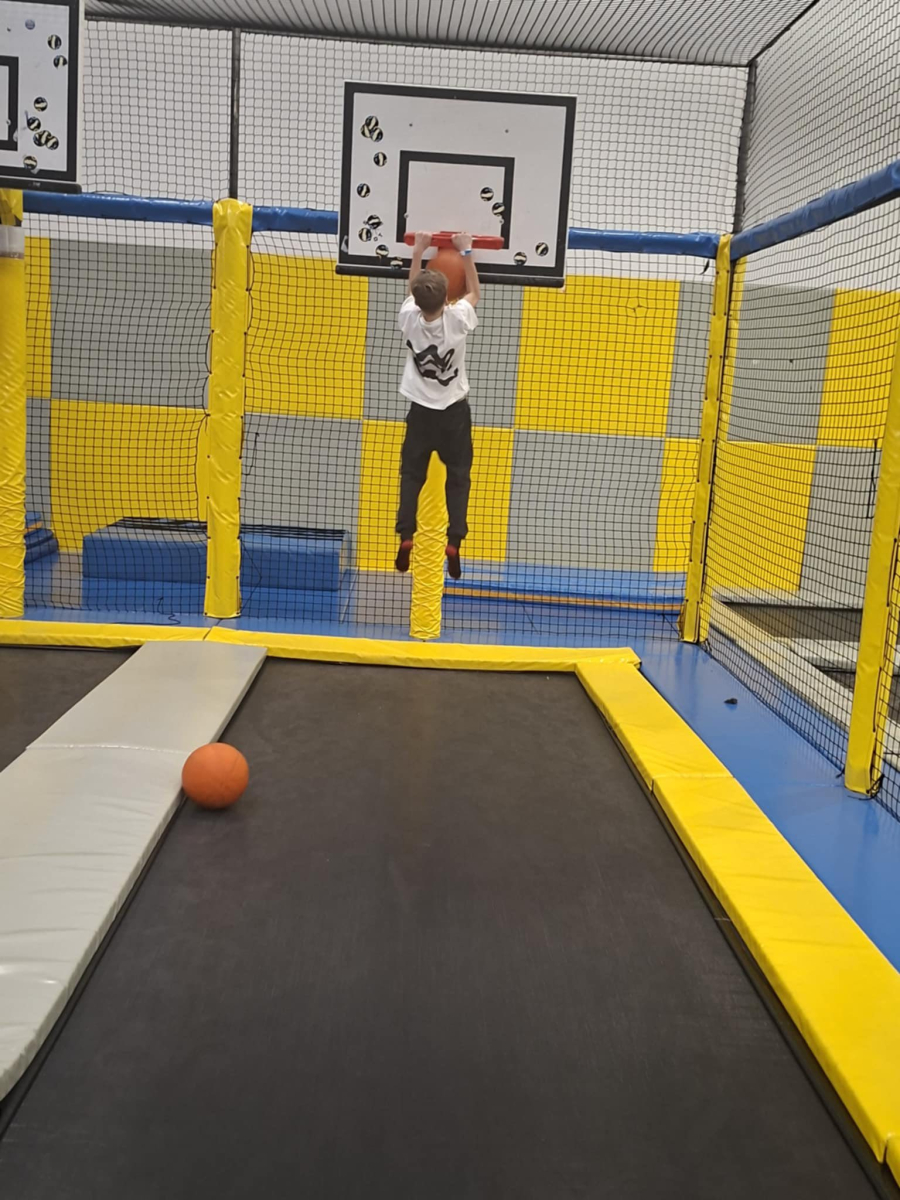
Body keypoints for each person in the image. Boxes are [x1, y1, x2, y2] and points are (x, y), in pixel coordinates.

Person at [394, 231, 480, 580]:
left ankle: (406, 534)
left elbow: (411, 289)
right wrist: (466, 251)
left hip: (420, 412)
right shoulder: (457, 319)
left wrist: (418, 251)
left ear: (417, 302)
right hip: (453, 412)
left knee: (411, 476)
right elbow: (475, 292)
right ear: (448, 298)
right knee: (458, 478)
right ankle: (454, 540)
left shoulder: (409, 318)